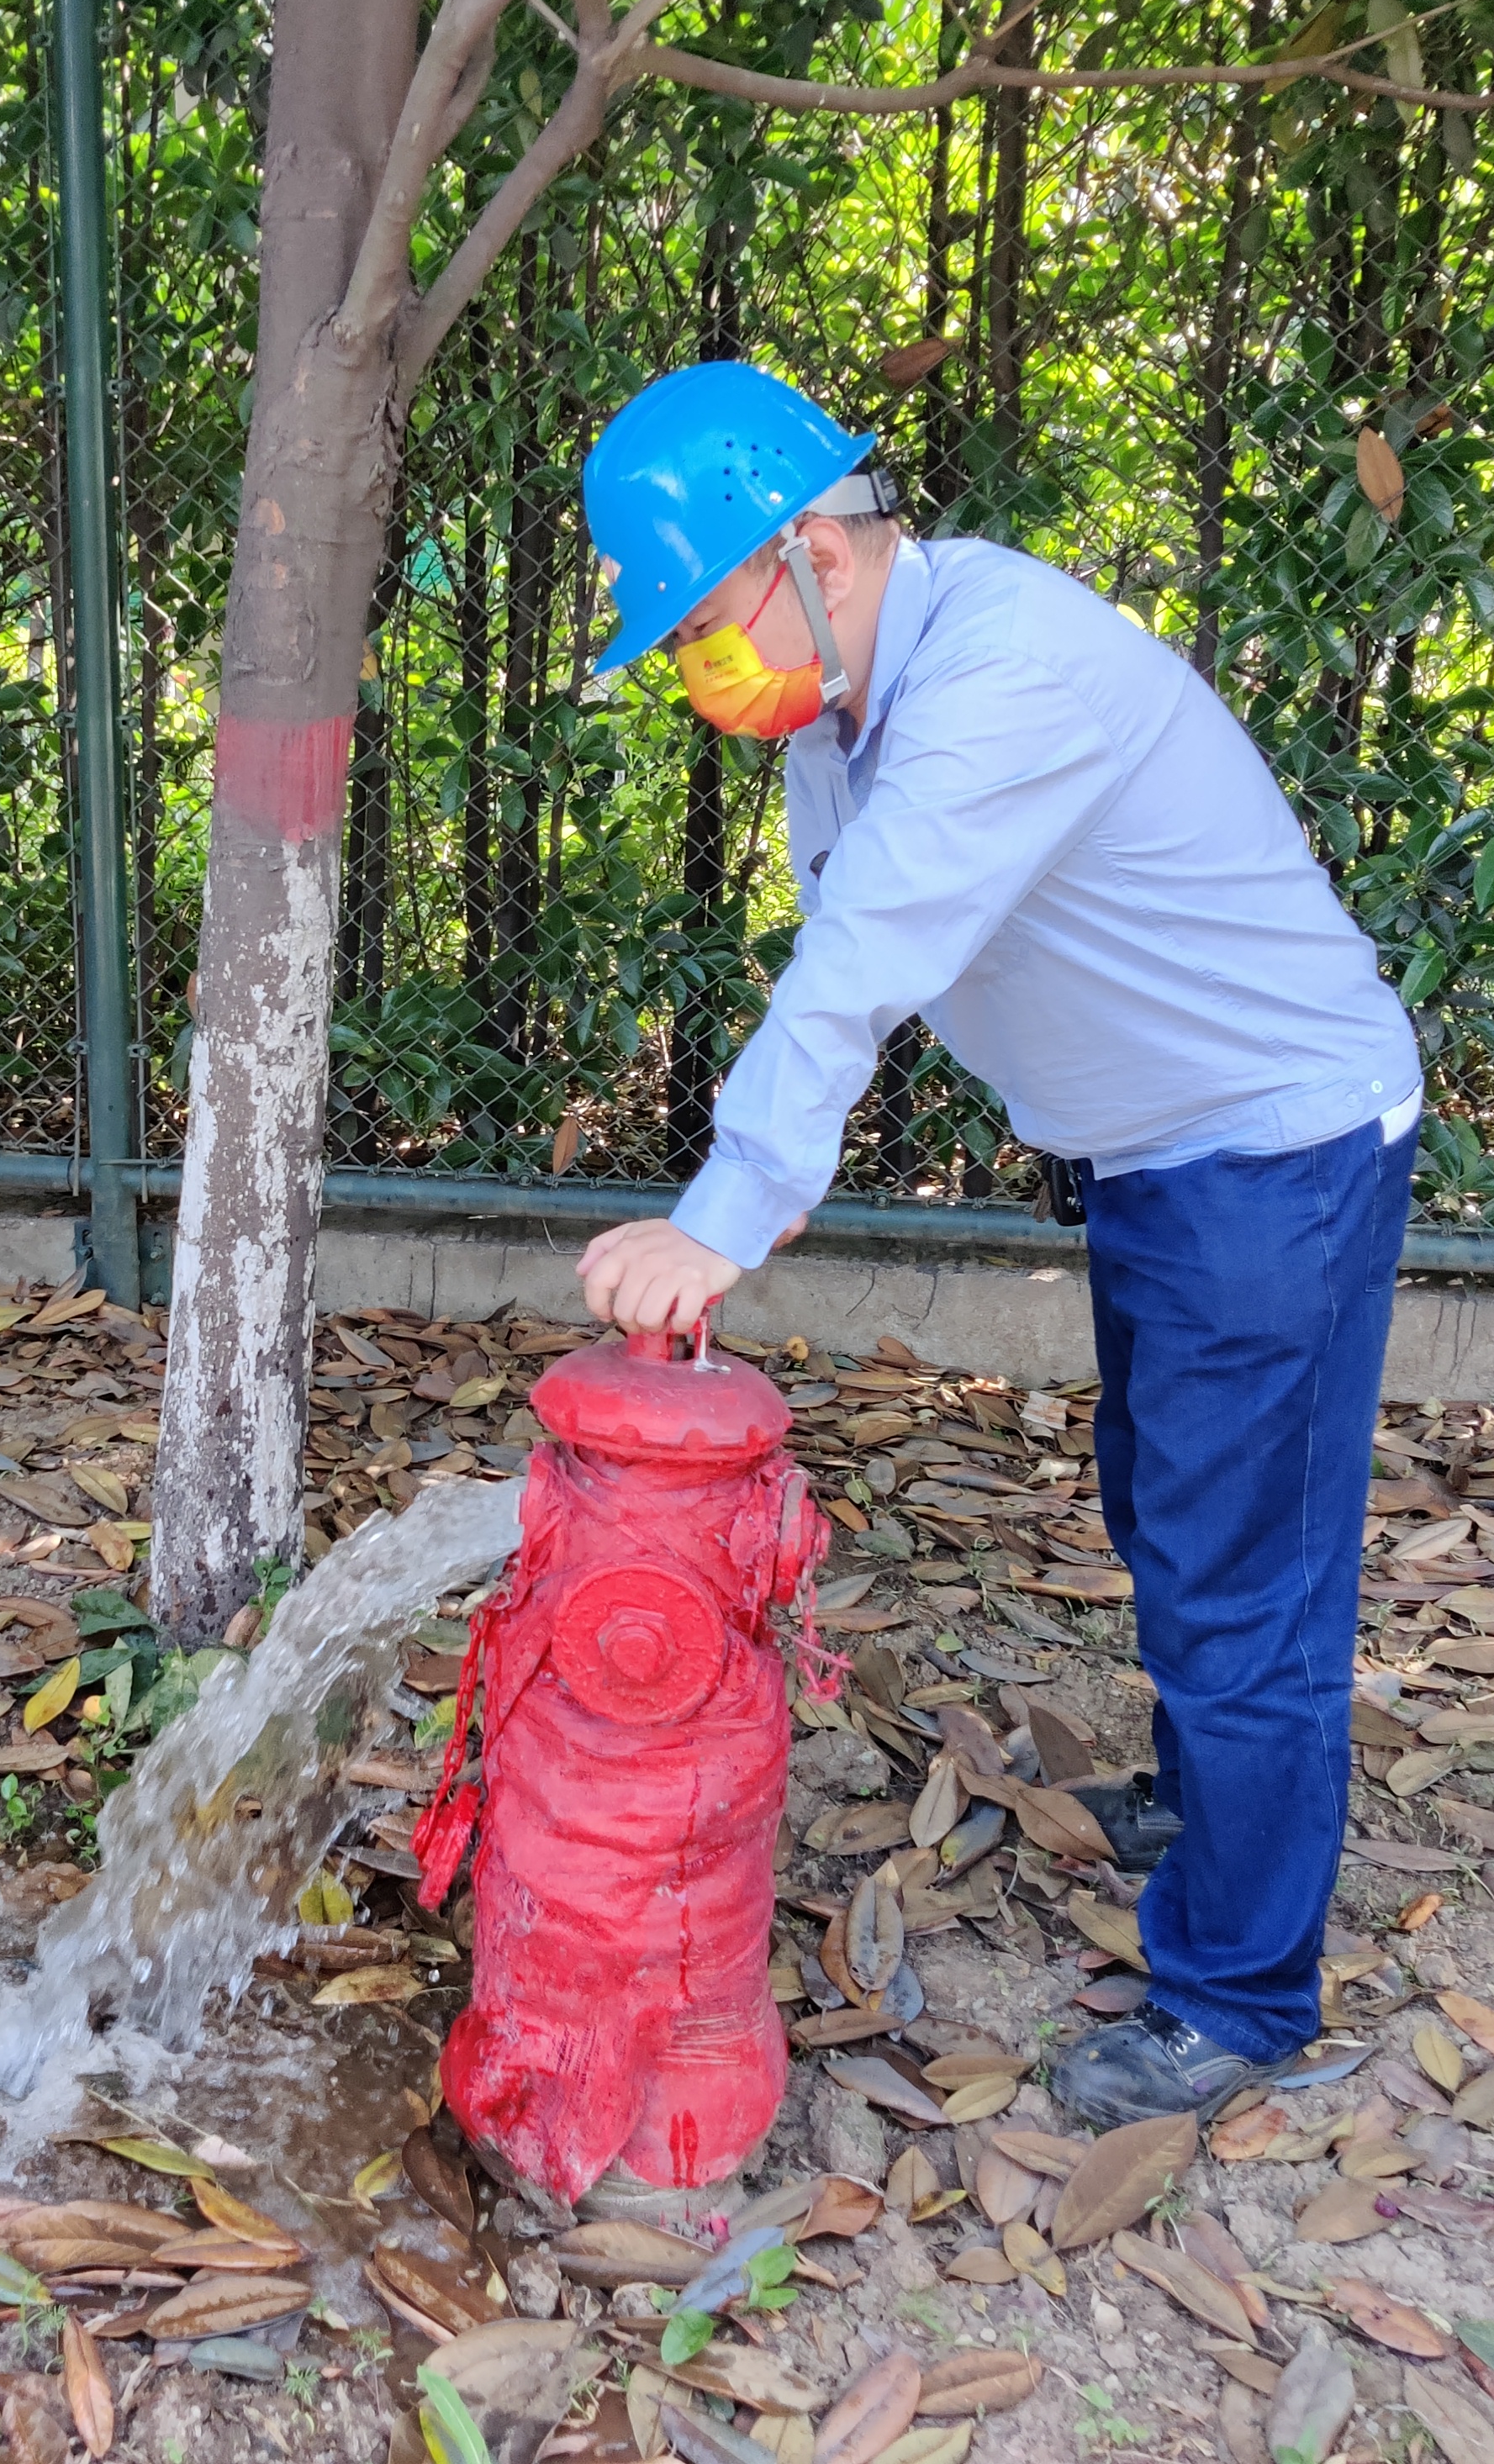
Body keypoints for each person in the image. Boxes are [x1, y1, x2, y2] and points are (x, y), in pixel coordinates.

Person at [571, 360, 1422, 2130]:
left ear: (814, 549)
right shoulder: (843, 716)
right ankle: (1210, 1805)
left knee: (1237, 1577)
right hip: (1159, 1153)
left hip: (1270, 1150)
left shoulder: (1003, 673)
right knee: (1165, 1507)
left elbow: (861, 958)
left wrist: (720, 1218)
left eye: (700, 618)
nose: (694, 669)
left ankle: (1238, 1997)